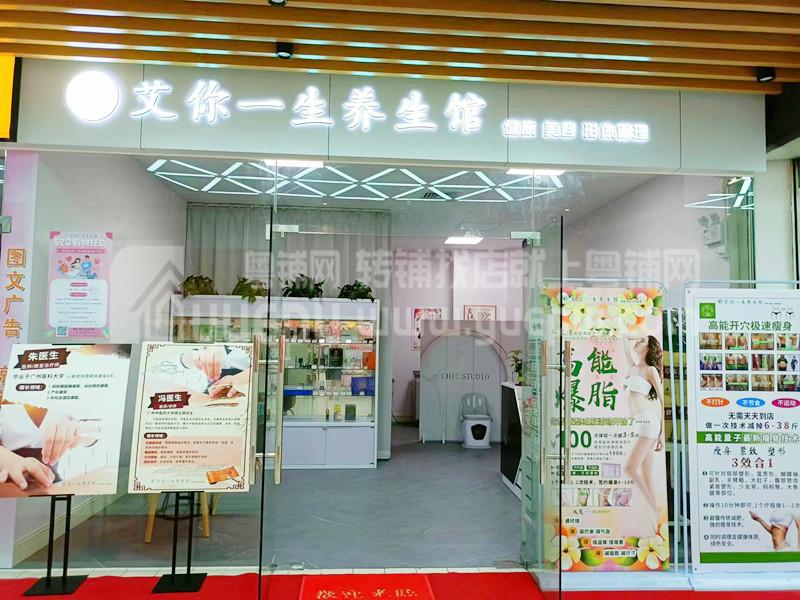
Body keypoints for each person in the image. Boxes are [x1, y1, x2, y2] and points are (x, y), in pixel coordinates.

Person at [622, 333, 665, 532]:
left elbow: (662, 401)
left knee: (630, 468)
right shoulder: (633, 366)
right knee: (646, 475)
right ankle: (653, 524)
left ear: (648, 349)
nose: (637, 342)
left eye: (642, 342)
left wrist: (661, 434)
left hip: (649, 423)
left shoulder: (650, 370)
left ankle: (653, 508)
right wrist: (642, 336)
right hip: (638, 424)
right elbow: (624, 337)